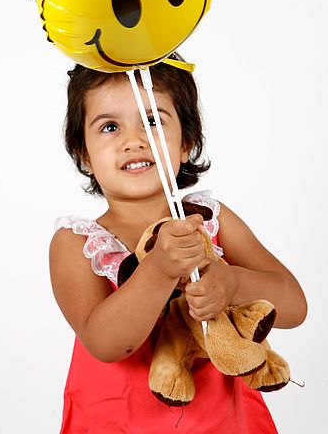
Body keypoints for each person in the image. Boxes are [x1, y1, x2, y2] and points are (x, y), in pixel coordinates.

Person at [49, 58, 308, 433]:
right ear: (83, 153)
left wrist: (232, 283)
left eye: (153, 122)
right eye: (109, 127)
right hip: (116, 423)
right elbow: (107, 344)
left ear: (186, 142)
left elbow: (294, 307)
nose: (133, 141)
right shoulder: (77, 244)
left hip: (222, 423)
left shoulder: (209, 220)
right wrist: (158, 269)